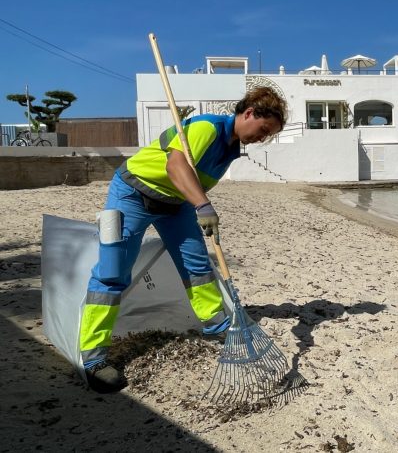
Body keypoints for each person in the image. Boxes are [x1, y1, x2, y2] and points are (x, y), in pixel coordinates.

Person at [79, 86, 287, 393]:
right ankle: (93, 359)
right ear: (249, 113)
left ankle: (216, 325)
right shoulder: (207, 127)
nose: (262, 138)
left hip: (175, 206)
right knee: (112, 273)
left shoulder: (230, 148)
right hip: (134, 193)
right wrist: (203, 206)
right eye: (264, 129)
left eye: (268, 135)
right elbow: (175, 166)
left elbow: (191, 181)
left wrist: (196, 204)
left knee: (197, 266)